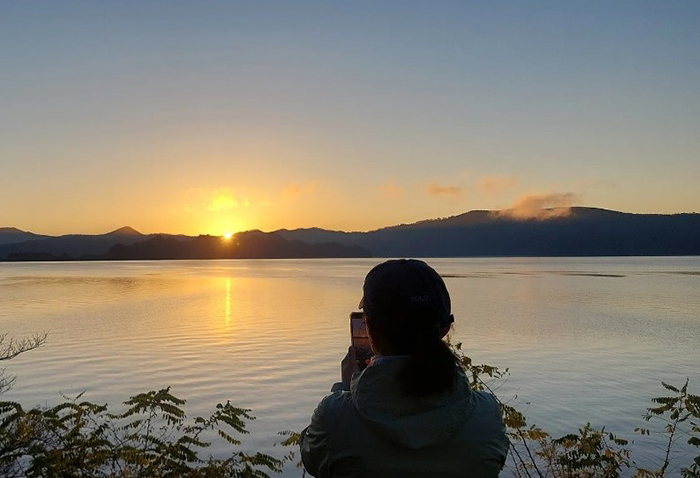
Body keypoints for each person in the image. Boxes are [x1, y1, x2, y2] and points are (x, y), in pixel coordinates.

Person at [300, 259, 509, 478]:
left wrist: (344, 388)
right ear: (445, 328)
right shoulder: (487, 417)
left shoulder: (335, 419)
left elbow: (313, 457)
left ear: (369, 328)